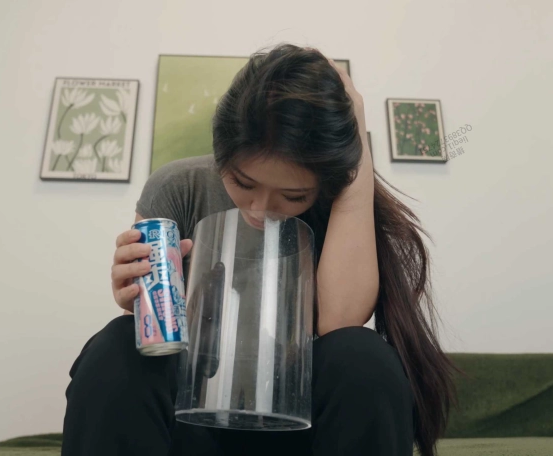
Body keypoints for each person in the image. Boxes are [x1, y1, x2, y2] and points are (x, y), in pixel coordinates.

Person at [61, 44, 458, 456]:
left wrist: (354, 153)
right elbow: (153, 356)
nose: (261, 208)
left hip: (296, 428)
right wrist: (134, 295)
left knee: (364, 356)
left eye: (294, 195)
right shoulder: (179, 187)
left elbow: (340, 323)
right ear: (221, 152)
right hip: (193, 421)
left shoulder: (339, 203)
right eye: (243, 183)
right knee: (118, 344)